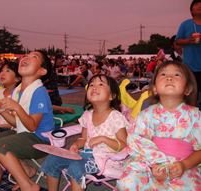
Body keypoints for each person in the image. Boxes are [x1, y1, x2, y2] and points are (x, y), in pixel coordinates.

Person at [117, 61, 201, 190]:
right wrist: (153, 165)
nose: (169, 77)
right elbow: (136, 141)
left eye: (177, 75)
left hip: (185, 168)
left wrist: (184, 165)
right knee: (127, 182)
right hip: (151, 166)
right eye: (163, 74)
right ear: (155, 88)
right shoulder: (145, 115)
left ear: (188, 89)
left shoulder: (196, 116)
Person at [40, 74, 129, 191]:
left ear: (112, 95)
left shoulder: (116, 118)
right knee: (53, 159)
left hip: (107, 159)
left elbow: (123, 145)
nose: (94, 87)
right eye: (91, 84)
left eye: (100, 84)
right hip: (86, 155)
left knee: (76, 166)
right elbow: (83, 138)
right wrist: (77, 144)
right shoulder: (87, 115)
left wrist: (104, 139)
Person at [0, 51, 55, 191]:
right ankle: (26, 170)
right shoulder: (18, 91)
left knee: (0, 145)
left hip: (41, 139)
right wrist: (3, 111)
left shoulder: (39, 92)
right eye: (26, 56)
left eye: (34, 57)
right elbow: (17, 123)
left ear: (41, 70)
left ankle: (28, 185)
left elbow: (33, 126)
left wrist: (16, 107)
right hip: (25, 133)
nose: (26, 57)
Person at [175, 0, 201, 106]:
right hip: (190, 66)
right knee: (192, 95)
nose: (199, 6)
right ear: (191, 11)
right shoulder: (186, 24)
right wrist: (188, 41)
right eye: (196, 5)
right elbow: (177, 42)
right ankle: (193, 118)